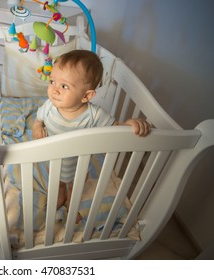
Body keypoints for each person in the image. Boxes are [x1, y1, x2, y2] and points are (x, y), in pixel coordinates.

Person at [32, 50, 151, 223]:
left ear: (86, 96)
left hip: (79, 164)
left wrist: (129, 124)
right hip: (53, 160)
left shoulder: (94, 115)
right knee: (56, 181)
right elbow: (38, 118)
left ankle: (72, 204)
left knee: (75, 187)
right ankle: (60, 196)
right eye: (52, 81)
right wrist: (37, 127)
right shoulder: (49, 106)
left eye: (64, 86)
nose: (54, 90)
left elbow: (114, 127)